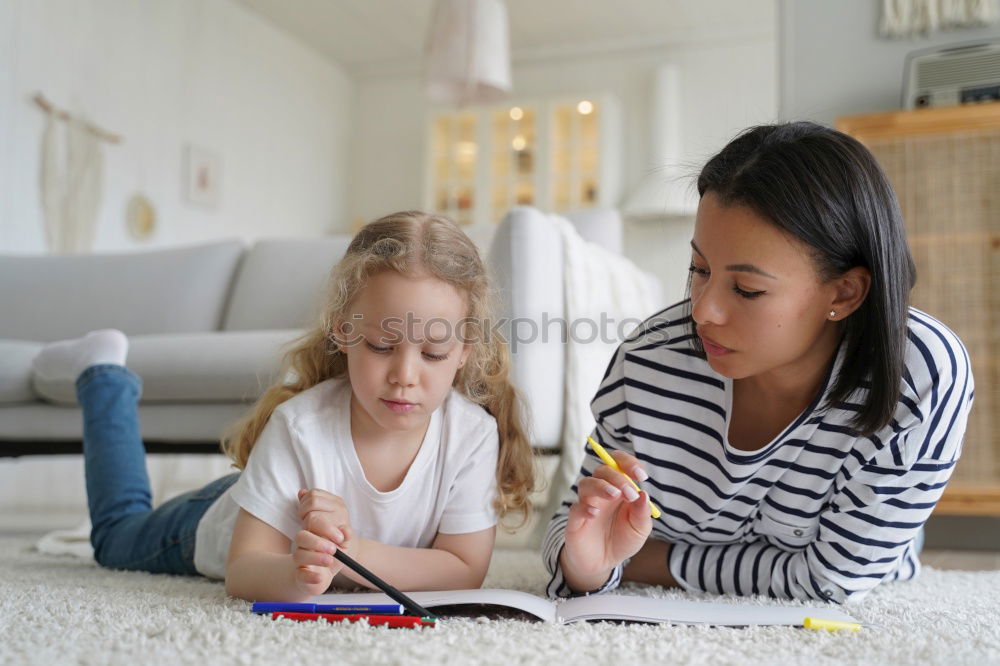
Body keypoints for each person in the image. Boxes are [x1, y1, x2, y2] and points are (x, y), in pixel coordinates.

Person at [543, 122, 974, 604]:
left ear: (845, 292)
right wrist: (588, 565)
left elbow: (832, 581)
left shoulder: (917, 374)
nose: (702, 311)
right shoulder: (647, 362)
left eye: (748, 290)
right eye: (699, 270)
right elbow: (572, 531)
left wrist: (649, 561)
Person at [33, 211, 535, 602]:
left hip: (273, 497)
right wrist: (297, 574)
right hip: (216, 523)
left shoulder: (471, 434)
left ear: (464, 350)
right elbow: (244, 567)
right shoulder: (299, 425)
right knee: (117, 538)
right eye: (382, 346)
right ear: (344, 331)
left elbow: (464, 568)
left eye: (432, 353)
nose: (405, 375)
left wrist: (351, 555)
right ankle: (102, 375)